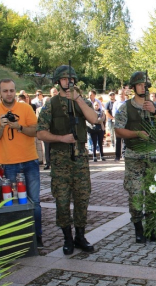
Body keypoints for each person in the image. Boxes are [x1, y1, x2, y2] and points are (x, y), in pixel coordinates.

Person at [36, 65, 98, 255]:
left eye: (70, 79)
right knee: (62, 201)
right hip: (60, 160)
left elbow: (94, 119)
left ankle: (80, 236)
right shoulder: (51, 104)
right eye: (64, 79)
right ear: (58, 82)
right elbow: (40, 133)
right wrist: (61, 138)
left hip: (80, 160)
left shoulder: (82, 101)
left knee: (82, 199)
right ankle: (67, 238)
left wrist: (78, 99)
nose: (67, 82)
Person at [0, 79, 43, 247]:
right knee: (11, 202)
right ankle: (17, 238)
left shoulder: (25, 108)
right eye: (5, 91)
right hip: (7, 163)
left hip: (29, 161)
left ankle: (37, 237)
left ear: (15, 91)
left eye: (11, 90)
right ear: (0, 93)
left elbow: (35, 131)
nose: (9, 94)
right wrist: (3, 126)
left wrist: (19, 127)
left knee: (35, 201)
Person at [114, 71, 156, 243]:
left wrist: (155, 112)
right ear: (134, 87)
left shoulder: (155, 106)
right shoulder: (125, 107)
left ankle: (151, 228)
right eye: (141, 84)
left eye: (146, 85)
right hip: (134, 158)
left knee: (152, 194)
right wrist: (136, 133)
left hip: (153, 158)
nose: (144, 87)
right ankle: (138, 227)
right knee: (135, 195)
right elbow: (118, 130)